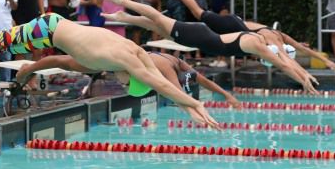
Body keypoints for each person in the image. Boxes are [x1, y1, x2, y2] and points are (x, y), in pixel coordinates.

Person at [0, 14, 220, 128]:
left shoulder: (137, 53)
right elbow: (161, 84)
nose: (117, 82)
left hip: (54, 26)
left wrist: (190, 107)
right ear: (131, 78)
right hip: (49, 30)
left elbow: (160, 81)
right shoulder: (124, 61)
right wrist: (194, 104)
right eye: (124, 84)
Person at [103, 0, 321, 94]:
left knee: (159, 27)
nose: (269, 59)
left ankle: (125, 16)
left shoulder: (257, 37)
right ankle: (125, 1)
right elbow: (283, 63)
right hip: (200, 38)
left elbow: (284, 59)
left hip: (202, 36)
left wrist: (304, 75)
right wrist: (302, 80)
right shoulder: (258, 46)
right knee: (160, 20)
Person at [15, 52, 242, 110]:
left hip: (124, 62)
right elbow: (176, 91)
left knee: (68, 62)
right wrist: (198, 110)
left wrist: (227, 95)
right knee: (68, 63)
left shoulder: (175, 62)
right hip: (124, 67)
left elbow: (201, 80)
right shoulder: (168, 68)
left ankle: (31, 68)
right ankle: (31, 68)